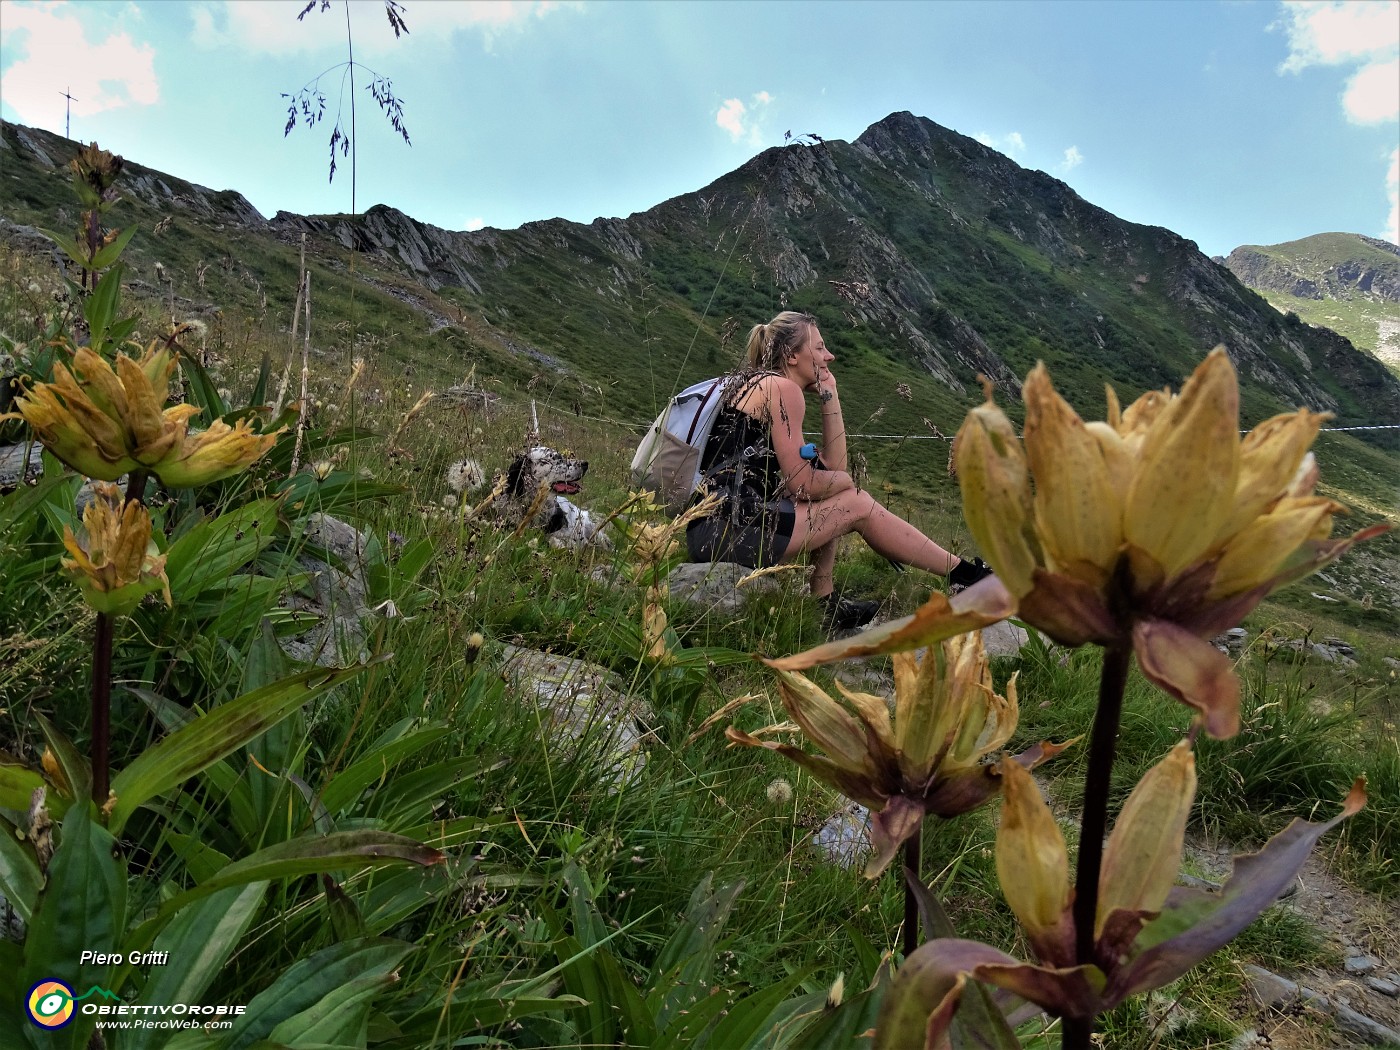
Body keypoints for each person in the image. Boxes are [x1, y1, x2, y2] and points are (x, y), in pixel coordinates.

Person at [685, 310, 993, 630]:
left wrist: (830, 396)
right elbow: (805, 484)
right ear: (792, 355)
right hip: (730, 530)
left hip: (711, 529)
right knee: (855, 502)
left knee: (839, 494)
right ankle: (965, 576)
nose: (829, 356)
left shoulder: (757, 385)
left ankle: (825, 603)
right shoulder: (782, 389)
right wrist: (844, 482)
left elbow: (830, 469)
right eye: (819, 348)